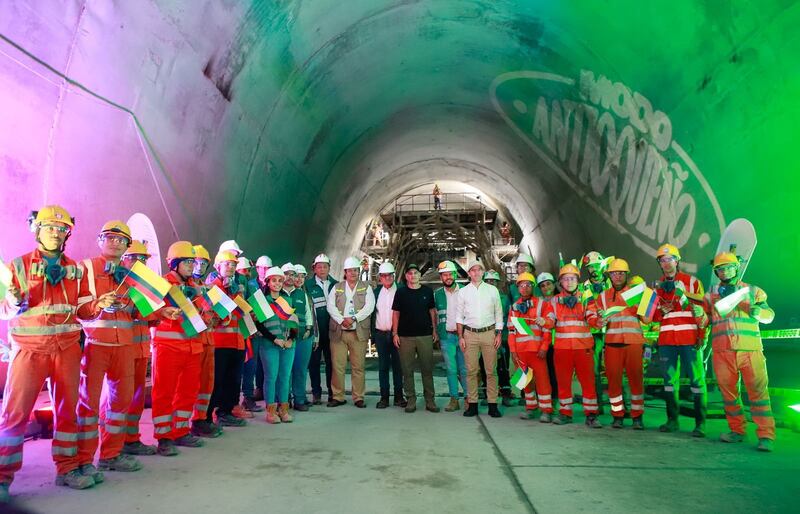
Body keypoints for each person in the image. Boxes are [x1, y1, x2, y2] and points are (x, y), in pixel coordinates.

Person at [0, 206, 100, 499]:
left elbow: (81, 308)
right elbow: (4, 310)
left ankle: (67, 469)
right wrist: (15, 301)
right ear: (36, 230)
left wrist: (98, 306)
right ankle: (2, 478)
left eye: (61, 228)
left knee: (67, 412)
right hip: (30, 351)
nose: (55, 233)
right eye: (49, 227)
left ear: (68, 233)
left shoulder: (77, 270)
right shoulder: (17, 266)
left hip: (67, 349)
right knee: (15, 414)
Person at [77, 221, 161, 476]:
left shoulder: (132, 277)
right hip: (96, 345)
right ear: (100, 240)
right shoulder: (86, 268)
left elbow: (145, 313)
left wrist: (159, 311)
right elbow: (79, 308)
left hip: (124, 346)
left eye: (121, 239)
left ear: (126, 246)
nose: (115, 242)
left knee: (120, 403)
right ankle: (82, 460)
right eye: (110, 237)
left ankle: (111, 455)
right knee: (89, 405)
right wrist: (98, 304)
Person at [698, 252, 776, 452]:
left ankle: (766, 435)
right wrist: (700, 318)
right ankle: (737, 431)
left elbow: (769, 315)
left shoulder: (753, 291)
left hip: (750, 350)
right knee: (729, 395)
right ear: (716, 272)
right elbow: (705, 322)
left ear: (737, 267)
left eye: (728, 267)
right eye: (720, 269)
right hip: (722, 351)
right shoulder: (710, 295)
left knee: (758, 393)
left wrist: (761, 313)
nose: (724, 271)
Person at [150, 241, 207, 456]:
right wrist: (164, 311)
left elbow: (204, 312)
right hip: (168, 346)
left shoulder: (196, 286)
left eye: (193, 261)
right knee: (164, 391)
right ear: (175, 263)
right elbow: (149, 310)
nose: (192, 265)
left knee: (188, 390)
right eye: (187, 262)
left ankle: (181, 430)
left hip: (193, 346)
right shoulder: (162, 284)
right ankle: (164, 437)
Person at [652, 243, 707, 437]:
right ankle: (672, 420)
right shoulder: (657, 287)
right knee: (669, 382)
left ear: (677, 261)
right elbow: (649, 317)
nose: (667, 263)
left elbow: (704, 309)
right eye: (663, 260)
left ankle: (700, 424)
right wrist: (661, 311)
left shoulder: (692, 282)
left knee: (697, 381)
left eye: (670, 259)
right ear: (660, 263)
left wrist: (702, 335)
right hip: (667, 340)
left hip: (689, 339)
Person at [590, 259, 648, 429]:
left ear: (626, 275)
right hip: (613, 344)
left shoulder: (637, 294)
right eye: (614, 273)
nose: (618, 276)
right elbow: (595, 319)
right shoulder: (602, 297)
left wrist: (641, 306)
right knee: (614, 382)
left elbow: (647, 318)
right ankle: (618, 415)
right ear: (609, 275)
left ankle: (637, 417)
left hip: (633, 343)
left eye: (621, 273)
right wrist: (599, 320)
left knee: (636, 381)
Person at [550, 263, 602, 428]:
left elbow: (593, 319)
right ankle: (565, 413)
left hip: (583, 349)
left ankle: (592, 414)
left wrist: (599, 321)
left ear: (577, 280)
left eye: (572, 278)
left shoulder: (586, 298)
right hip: (562, 349)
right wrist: (544, 321)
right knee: (563, 382)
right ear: (561, 282)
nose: (569, 281)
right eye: (566, 279)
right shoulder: (554, 301)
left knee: (588, 382)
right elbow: (550, 320)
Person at [119, 241, 158, 456]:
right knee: (118, 399)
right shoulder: (119, 283)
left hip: (141, 349)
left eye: (142, 259)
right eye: (134, 258)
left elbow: (151, 316)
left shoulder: (142, 286)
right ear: (124, 258)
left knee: (136, 399)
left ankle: (131, 439)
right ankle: (116, 444)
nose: (139, 263)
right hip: (122, 348)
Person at [457, 261, 504, 418]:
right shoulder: (463, 292)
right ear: (469, 273)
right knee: (471, 371)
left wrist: (498, 334)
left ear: (483, 272)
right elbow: (459, 316)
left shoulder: (492, 290)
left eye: (479, 270)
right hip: (469, 334)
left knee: (491, 371)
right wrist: (461, 337)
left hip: (489, 333)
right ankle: (473, 405)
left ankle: (492, 404)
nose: (476, 273)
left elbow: (499, 313)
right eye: (473, 270)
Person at [326, 257, 375, 407]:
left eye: (356, 270)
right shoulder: (337, 287)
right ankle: (338, 396)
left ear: (359, 272)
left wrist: (353, 318)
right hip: (339, 333)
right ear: (345, 272)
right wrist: (342, 320)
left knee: (358, 366)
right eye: (350, 270)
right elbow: (330, 306)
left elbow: (369, 306)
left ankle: (358, 397)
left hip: (357, 333)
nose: (353, 273)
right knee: (338, 366)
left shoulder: (366, 288)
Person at [507, 273, 556, 422]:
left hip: (537, 351)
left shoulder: (542, 304)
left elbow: (549, 327)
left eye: (528, 285)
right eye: (522, 285)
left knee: (542, 380)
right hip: (521, 352)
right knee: (525, 382)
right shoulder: (514, 307)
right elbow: (511, 332)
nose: (525, 288)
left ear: (533, 287)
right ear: (518, 288)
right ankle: (530, 408)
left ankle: (546, 410)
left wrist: (544, 347)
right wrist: (513, 352)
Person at [207, 250, 247, 427]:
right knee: (217, 381)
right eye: (227, 264)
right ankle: (212, 413)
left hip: (237, 342)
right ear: (218, 266)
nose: (231, 267)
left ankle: (227, 411)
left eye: (234, 264)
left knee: (233, 380)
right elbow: (218, 316)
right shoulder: (214, 288)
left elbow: (242, 314)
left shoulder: (234, 288)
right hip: (220, 343)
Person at [392, 264, 438, 413]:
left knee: (427, 369)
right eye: (410, 273)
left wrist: (434, 330)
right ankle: (411, 399)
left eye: (416, 273)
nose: (413, 275)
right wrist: (395, 333)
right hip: (405, 337)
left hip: (424, 335)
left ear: (420, 275)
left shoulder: (427, 292)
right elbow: (396, 314)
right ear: (406, 276)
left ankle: (430, 400)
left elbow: (432, 311)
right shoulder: (400, 293)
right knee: (407, 370)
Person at [256, 266, 298, 424]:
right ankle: (271, 411)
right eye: (274, 280)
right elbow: (259, 325)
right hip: (269, 345)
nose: (278, 283)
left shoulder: (287, 300)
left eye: (280, 280)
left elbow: (294, 324)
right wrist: (275, 339)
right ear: (267, 281)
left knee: (285, 377)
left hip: (287, 346)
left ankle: (283, 410)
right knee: (271, 377)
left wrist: (290, 340)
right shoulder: (262, 301)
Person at [190, 244, 223, 438]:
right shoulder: (183, 287)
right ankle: (190, 424)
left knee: (206, 384)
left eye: (204, 263)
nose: (200, 266)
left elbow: (219, 315)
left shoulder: (207, 287)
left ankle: (202, 419)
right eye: (196, 262)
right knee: (190, 385)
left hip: (209, 341)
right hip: (193, 342)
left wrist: (217, 317)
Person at [434, 261, 467, 411]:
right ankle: (454, 399)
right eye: (445, 275)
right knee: (451, 369)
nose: (448, 277)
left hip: (464, 336)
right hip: (447, 337)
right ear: (441, 277)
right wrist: (436, 332)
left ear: (455, 275)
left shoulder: (465, 291)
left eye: (450, 274)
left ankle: (468, 398)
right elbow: (434, 315)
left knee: (465, 369)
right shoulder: (437, 294)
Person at [372, 262, 405, 409]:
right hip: (380, 334)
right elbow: (372, 313)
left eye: (390, 275)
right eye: (384, 276)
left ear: (394, 276)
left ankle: (399, 397)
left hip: (396, 335)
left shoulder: (401, 291)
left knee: (398, 367)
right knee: (383, 367)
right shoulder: (376, 292)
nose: (387, 278)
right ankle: (384, 398)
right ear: (380, 277)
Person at [581, 251, 610, 415]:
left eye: (596, 265)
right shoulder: (584, 287)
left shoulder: (612, 283)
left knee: (616, 370)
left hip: (613, 331)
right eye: (590, 267)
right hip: (595, 333)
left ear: (602, 265)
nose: (594, 269)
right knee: (595, 370)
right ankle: (598, 404)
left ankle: (621, 408)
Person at [306, 253, 337, 404]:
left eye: (325, 266)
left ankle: (332, 393)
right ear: (314, 269)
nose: (322, 269)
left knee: (332, 363)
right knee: (314, 363)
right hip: (316, 332)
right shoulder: (308, 285)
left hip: (332, 332)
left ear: (329, 268)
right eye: (319, 267)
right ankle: (316, 393)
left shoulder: (336, 285)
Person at [238, 257, 264, 414]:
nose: (246, 274)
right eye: (243, 270)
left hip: (252, 334)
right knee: (237, 369)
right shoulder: (232, 286)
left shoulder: (254, 287)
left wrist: (256, 325)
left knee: (250, 367)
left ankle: (248, 397)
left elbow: (261, 313)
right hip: (238, 334)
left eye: (248, 271)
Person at [484, 270, 514, 406]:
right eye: (488, 280)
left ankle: (506, 392)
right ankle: (488, 394)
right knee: (486, 366)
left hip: (502, 337)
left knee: (503, 366)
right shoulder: (480, 298)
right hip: (485, 336)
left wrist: (501, 336)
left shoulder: (504, 298)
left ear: (497, 283)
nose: (491, 283)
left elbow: (507, 317)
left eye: (493, 281)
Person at [290, 264, 316, 411]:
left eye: (302, 276)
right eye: (296, 275)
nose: (299, 279)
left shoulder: (304, 294)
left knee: (300, 368)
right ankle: (285, 398)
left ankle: (300, 397)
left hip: (304, 336)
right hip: (290, 337)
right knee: (287, 370)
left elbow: (309, 314)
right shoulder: (284, 294)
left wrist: (309, 329)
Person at [536, 272, 559, 395]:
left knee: (557, 374)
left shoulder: (561, 299)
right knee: (546, 373)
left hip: (559, 343)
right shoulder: (538, 303)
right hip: (543, 345)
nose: (546, 288)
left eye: (548, 284)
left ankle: (556, 398)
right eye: (543, 286)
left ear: (554, 285)